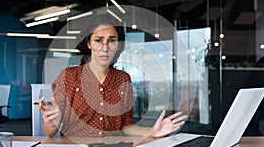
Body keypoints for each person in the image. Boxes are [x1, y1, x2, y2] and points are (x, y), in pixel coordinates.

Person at [38, 14, 187, 138]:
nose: (105, 47)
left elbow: (125, 126)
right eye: (98, 40)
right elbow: (50, 131)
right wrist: (53, 122)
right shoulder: (69, 77)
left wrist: (152, 132)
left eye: (112, 41)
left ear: (118, 45)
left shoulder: (123, 79)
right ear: (89, 44)